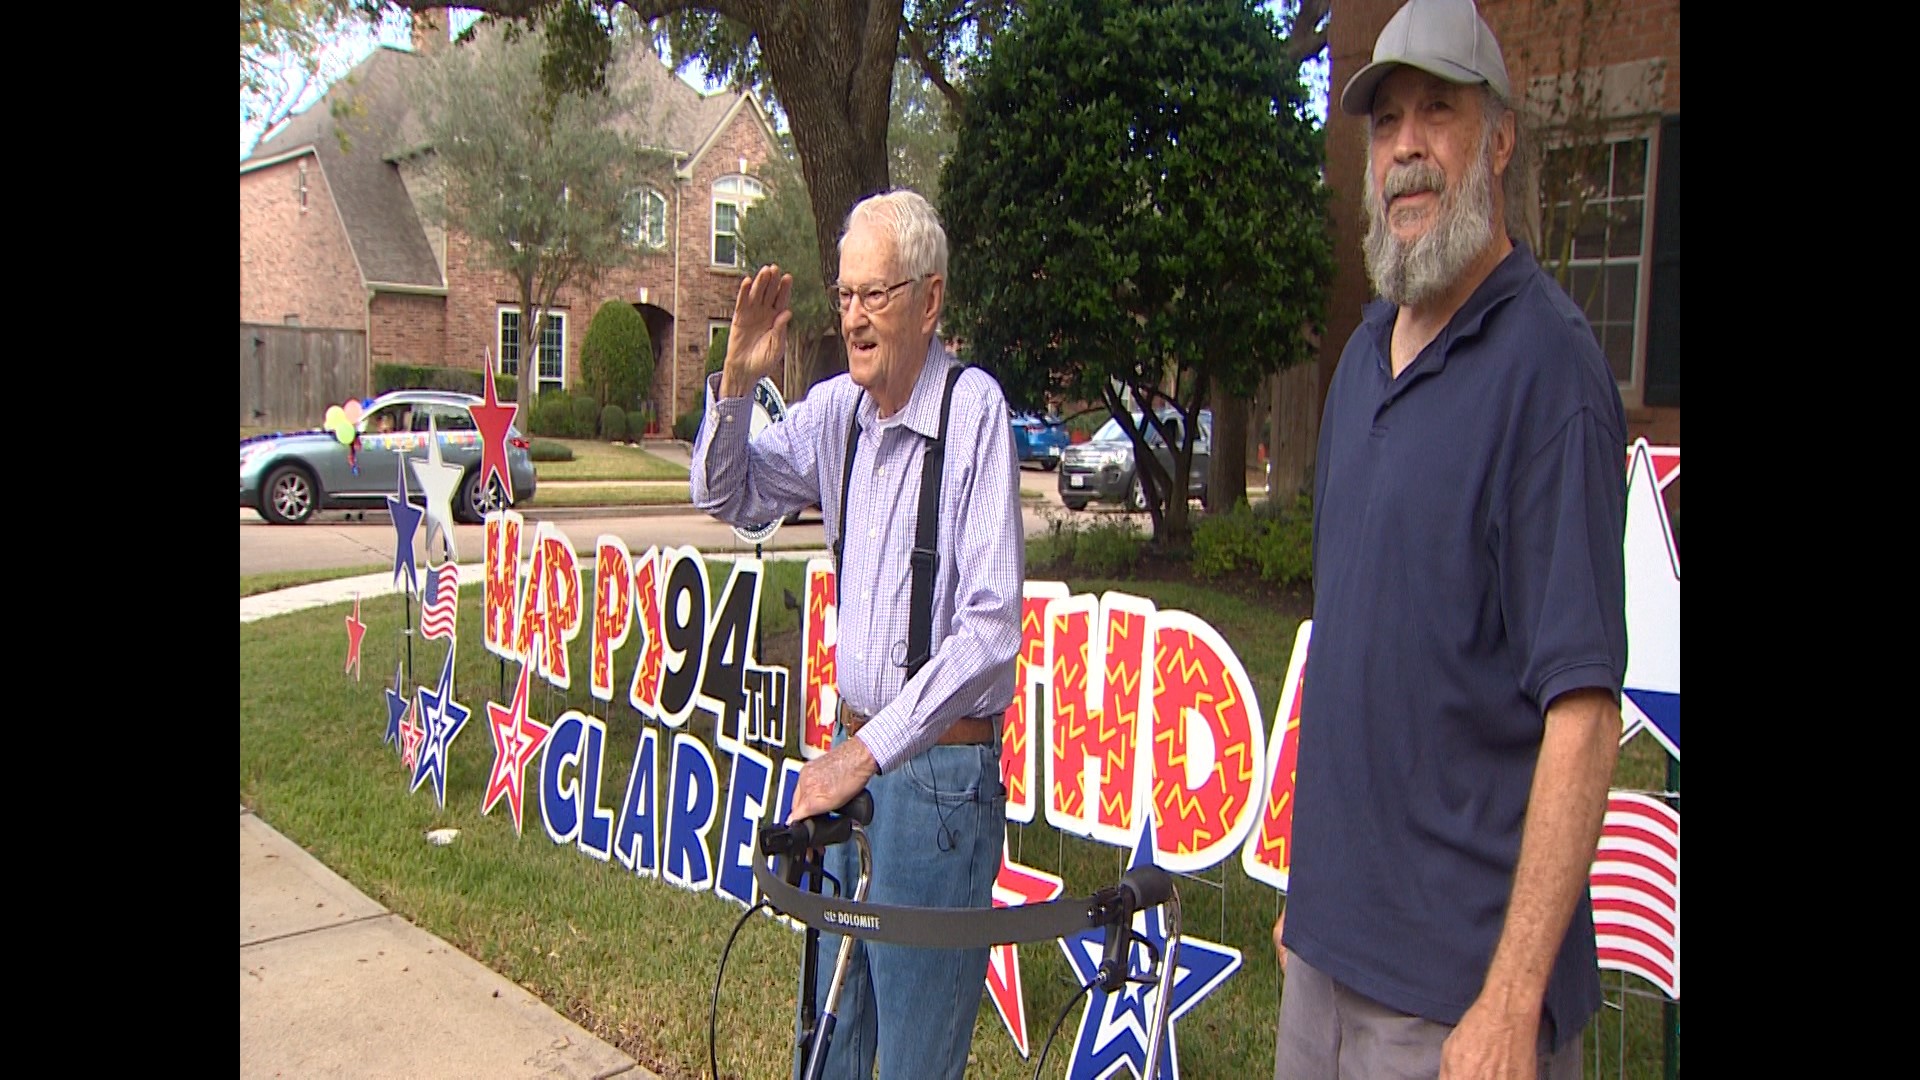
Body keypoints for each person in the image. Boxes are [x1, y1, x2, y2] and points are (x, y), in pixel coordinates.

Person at [1272, 2, 1628, 1079]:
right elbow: (1352, 651)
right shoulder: (1368, 353)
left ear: (1501, 138)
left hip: (1455, 1003)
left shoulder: (1550, 373)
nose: (1407, 147)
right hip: (1327, 965)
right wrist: (1307, 899)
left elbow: (1582, 711)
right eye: (1386, 123)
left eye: (1439, 112)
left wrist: (1512, 1001)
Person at [689, 188, 1023, 1080]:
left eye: (877, 294)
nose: (855, 318)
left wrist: (865, 751)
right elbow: (730, 496)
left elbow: (990, 631)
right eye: (844, 297)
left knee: (915, 1061)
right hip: (856, 761)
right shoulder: (835, 411)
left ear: (931, 299)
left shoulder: (974, 413)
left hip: (941, 784)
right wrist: (735, 384)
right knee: (829, 1047)